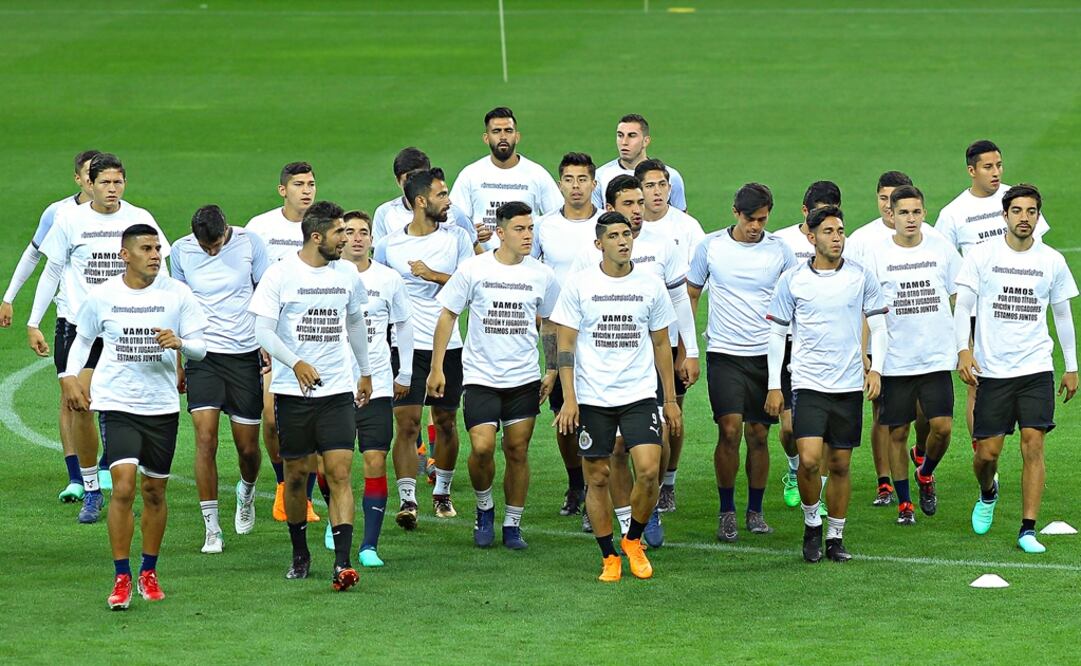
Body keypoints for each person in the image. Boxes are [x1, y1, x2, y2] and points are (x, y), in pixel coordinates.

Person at [58, 223, 208, 610]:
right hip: (117, 402)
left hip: (160, 406)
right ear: (125, 255)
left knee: (155, 491)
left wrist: (182, 344)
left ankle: (149, 570)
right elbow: (84, 338)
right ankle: (122, 575)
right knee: (123, 486)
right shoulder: (103, 295)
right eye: (146, 248)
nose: (156, 254)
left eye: (158, 248)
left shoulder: (178, 294)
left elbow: (202, 348)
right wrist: (70, 377)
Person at [28, 153, 172, 524]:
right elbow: (52, 271)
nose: (112, 189)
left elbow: (164, 270)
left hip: (128, 327)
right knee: (81, 404)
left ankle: (124, 481)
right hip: (80, 326)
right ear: (89, 183)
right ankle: (91, 489)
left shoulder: (140, 219)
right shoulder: (70, 220)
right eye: (105, 182)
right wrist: (33, 321)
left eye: (118, 182)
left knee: (128, 405)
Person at [248, 201, 373, 589]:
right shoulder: (280, 275)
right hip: (292, 392)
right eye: (340, 232)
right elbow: (262, 332)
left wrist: (365, 371)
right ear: (317, 236)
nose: (348, 239)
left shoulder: (348, 275)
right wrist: (295, 362)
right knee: (297, 475)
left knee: (339, 472)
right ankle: (300, 552)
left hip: (336, 389)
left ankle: (342, 561)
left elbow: (354, 321)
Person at [552, 211, 682, 582]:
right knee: (597, 477)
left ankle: (633, 540)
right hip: (593, 397)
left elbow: (661, 343)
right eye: (614, 236)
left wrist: (669, 399)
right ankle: (609, 555)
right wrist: (570, 399)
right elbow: (566, 345)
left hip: (639, 393)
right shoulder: (579, 285)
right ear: (599, 244)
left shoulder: (650, 285)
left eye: (627, 234)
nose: (624, 241)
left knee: (647, 471)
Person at [569, 175, 698, 545]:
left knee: (649, 447)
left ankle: (648, 507)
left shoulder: (662, 246)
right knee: (615, 449)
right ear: (610, 209)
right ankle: (627, 520)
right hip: (601, 369)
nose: (638, 211)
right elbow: (571, 318)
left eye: (640, 203)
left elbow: (678, 302)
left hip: (649, 364)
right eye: (629, 205)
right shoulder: (587, 258)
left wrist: (688, 350)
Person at [428, 201, 561, 550]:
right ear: (500, 233)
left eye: (530, 228)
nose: (527, 235)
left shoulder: (542, 274)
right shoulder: (474, 269)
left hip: (523, 378)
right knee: (482, 448)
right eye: (520, 229)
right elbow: (447, 316)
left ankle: (512, 524)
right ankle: (484, 507)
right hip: (481, 378)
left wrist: (552, 368)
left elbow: (550, 324)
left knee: (517, 450)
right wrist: (438, 367)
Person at [954, 184, 1077, 554]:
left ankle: (1027, 529)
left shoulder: (1052, 260)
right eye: (1018, 211)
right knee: (987, 454)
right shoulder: (981, 255)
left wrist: (1071, 367)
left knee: (1033, 445)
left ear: (1039, 216)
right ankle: (988, 491)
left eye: (1032, 211)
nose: (1025, 218)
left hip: (1036, 368)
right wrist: (963, 349)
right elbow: (963, 306)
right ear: (1005, 215)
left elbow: (1062, 315)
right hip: (993, 370)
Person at [766, 205, 888, 563]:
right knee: (808, 460)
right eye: (829, 232)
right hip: (808, 382)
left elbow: (878, 326)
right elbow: (776, 333)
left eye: (840, 231)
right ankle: (811, 524)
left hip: (848, 384)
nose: (837, 238)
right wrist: (775, 384)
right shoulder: (792, 280)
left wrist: (876, 368)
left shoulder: (861, 277)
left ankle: (835, 535)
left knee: (840, 465)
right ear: (811, 236)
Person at [688, 183, 796, 541]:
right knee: (730, 429)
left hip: (767, 355)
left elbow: (796, 297)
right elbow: (691, 293)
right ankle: (726, 511)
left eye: (763, 220)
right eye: (751, 219)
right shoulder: (711, 246)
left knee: (759, 434)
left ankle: (755, 510)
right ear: (736, 212)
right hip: (725, 353)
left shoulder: (780, 251)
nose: (756, 227)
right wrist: (688, 348)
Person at [935, 140, 1051, 452]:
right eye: (988, 167)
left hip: (1015, 307)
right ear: (971, 170)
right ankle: (983, 455)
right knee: (976, 382)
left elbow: (1038, 253)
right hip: (975, 312)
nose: (996, 172)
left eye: (999, 165)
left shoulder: (1018, 200)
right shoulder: (953, 214)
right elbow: (947, 271)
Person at [374, 169, 474, 524]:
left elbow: (471, 286)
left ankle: (442, 492)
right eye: (442, 195)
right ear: (421, 201)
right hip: (404, 346)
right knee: (408, 424)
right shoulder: (389, 245)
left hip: (449, 346)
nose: (448, 201)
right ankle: (407, 501)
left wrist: (434, 275)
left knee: (446, 421)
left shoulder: (458, 237)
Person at [170, 205, 270, 553]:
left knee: (247, 448)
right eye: (205, 246)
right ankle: (212, 527)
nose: (211, 251)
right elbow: (178, 305)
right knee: (205, 440)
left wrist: (265, 342)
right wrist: (178, 361)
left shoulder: (250, 243)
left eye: (215, 245)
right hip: (203, 355)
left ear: (225, 231)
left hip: (243, 354)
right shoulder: (180, 250)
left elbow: (265, 293)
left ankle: (247, 489)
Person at [1, 149, 99, 501]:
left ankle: (102, 469)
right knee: (70, 395)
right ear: (78, 178)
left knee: (107, 395)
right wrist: (10, 297)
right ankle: (76, 475)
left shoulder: (121, 215)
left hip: (113, 321)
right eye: (90, 175)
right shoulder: (59, 213)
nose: (96, 181)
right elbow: (34, 255)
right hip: (70, 317)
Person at [862, 186, 961, 525]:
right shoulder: (876, 254)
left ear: (924, 213)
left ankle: (925, 472)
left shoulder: (941, 249)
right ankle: (905, 503)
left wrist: (966, 346)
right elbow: (869, 310)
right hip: (895, 360)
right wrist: (867, 356)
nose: (910, 219)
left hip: (936, 356)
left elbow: (959, 299)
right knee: (897, 432)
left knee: (943, 428)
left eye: (916, 212)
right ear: (890, 214)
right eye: (903, 212)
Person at [848, 172, 931, 507]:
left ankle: (920, 452)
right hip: (877, 339)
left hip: (920, 345)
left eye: (894, 198)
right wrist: (862, 349)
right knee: (882, 413)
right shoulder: (861, 239)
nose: (888, 205)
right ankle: (884, 481)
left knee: (924, 413)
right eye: (883, 198)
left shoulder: (928, 236)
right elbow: (855, 295)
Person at [245, 162, 321, 524]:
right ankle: (282, 485)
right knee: (272, 419)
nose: (307, 191)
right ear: (282, 190)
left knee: (315, 424)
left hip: (317, 338)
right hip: (272, 338)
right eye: (299, 184)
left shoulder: (325, 224)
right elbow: (246, 279)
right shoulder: (261, 228)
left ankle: (304, 497)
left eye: (311, 184)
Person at [339, 210, 414, 567]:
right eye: (349, 231)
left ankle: (369, 545)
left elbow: (403, 325)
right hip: (334, 385)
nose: (356, 238)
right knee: (330, 466)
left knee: (374, 459)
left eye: (363, 232)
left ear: (372, 238)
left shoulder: (388, 279)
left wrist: (407, 373)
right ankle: (337, 518)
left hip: (378, 384)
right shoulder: (327, 277)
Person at [530, 152, 602, 516]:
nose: (576, 186)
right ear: (560, 184)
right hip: (558, 331)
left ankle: (594, 490)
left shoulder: (605, 224)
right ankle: (576, 483)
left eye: (582, 179)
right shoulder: (543, 227)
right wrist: (549, 359)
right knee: (565, 416)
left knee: (598, 413)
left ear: (594, 183)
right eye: (569, 179)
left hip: (599, 336)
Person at [634, 158, 705, 512]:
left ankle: (667, 482)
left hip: (671, 340)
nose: (658, 192)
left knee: (671, 412)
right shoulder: (621, 230)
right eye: (650, 186)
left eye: (663, 185)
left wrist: (687, 349)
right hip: (630, 343)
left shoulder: (688, 228)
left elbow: (688, 293)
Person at [768, 181, 841, 509]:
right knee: (790, 426)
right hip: (787, 345)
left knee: (824, 430)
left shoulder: (840, 243)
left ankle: (820, 494)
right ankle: (795, 467)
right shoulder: (782, 241)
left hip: (824, 347)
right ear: (804, 211)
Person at [450, 106, 562, 249]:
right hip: (483, 262)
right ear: (486, 137)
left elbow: (557, 218)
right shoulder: (470, 175)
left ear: (517, 136)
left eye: (508, 131)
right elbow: (455, 221)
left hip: (526, 261)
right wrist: (472, 234)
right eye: (496, 131)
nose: (503, 137)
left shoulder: (537, 174)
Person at [370, 147, 478, 246]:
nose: (416, 185)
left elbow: (477, 255)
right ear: (398, 181)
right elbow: (378, 262)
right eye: (409, 179)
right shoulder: (384, 214)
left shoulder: (454, 214)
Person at [593, 114, 687, 211]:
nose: (624, 142)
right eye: (620, 135)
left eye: (632, 136)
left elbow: (681, 219)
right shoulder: (600, 176)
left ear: (646, 141)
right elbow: (594, 219)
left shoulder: (670, 176)